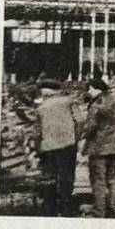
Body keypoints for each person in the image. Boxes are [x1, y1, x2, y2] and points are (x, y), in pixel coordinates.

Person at [81, 76, 115, 219]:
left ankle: (99, 211)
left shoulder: (97, 103)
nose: (88, 92)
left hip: (99, 147)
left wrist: (82, 135)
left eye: (89, 89)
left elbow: (91, 125)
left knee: (98, 179)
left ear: (94, 89)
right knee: (113, 177)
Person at [35, 80, 82, 216]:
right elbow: (81, 121)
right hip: (68, 145)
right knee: (67, 174)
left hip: (48, 147)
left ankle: (50, 206)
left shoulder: (41, 107)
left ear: (47, 91)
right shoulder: (69, 102)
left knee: (50, 176)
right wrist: (76, 138)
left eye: (42, 90)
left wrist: (38, 147)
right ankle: (65, 203)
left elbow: (37, 131)